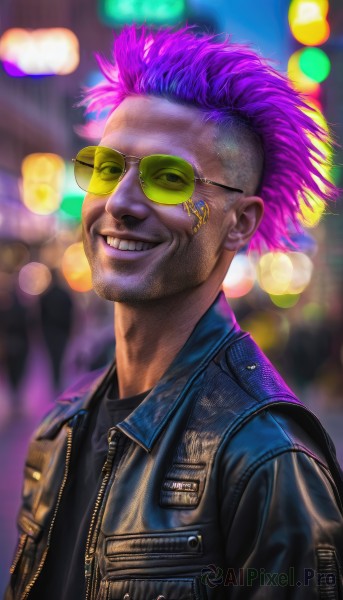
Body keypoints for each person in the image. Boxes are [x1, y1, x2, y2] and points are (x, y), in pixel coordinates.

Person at [6, 25, 343, 600]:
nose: (120, 202)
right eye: (106, 168)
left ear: (240, 221)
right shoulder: (59, 429)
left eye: (168, 178)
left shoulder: (267, 461)